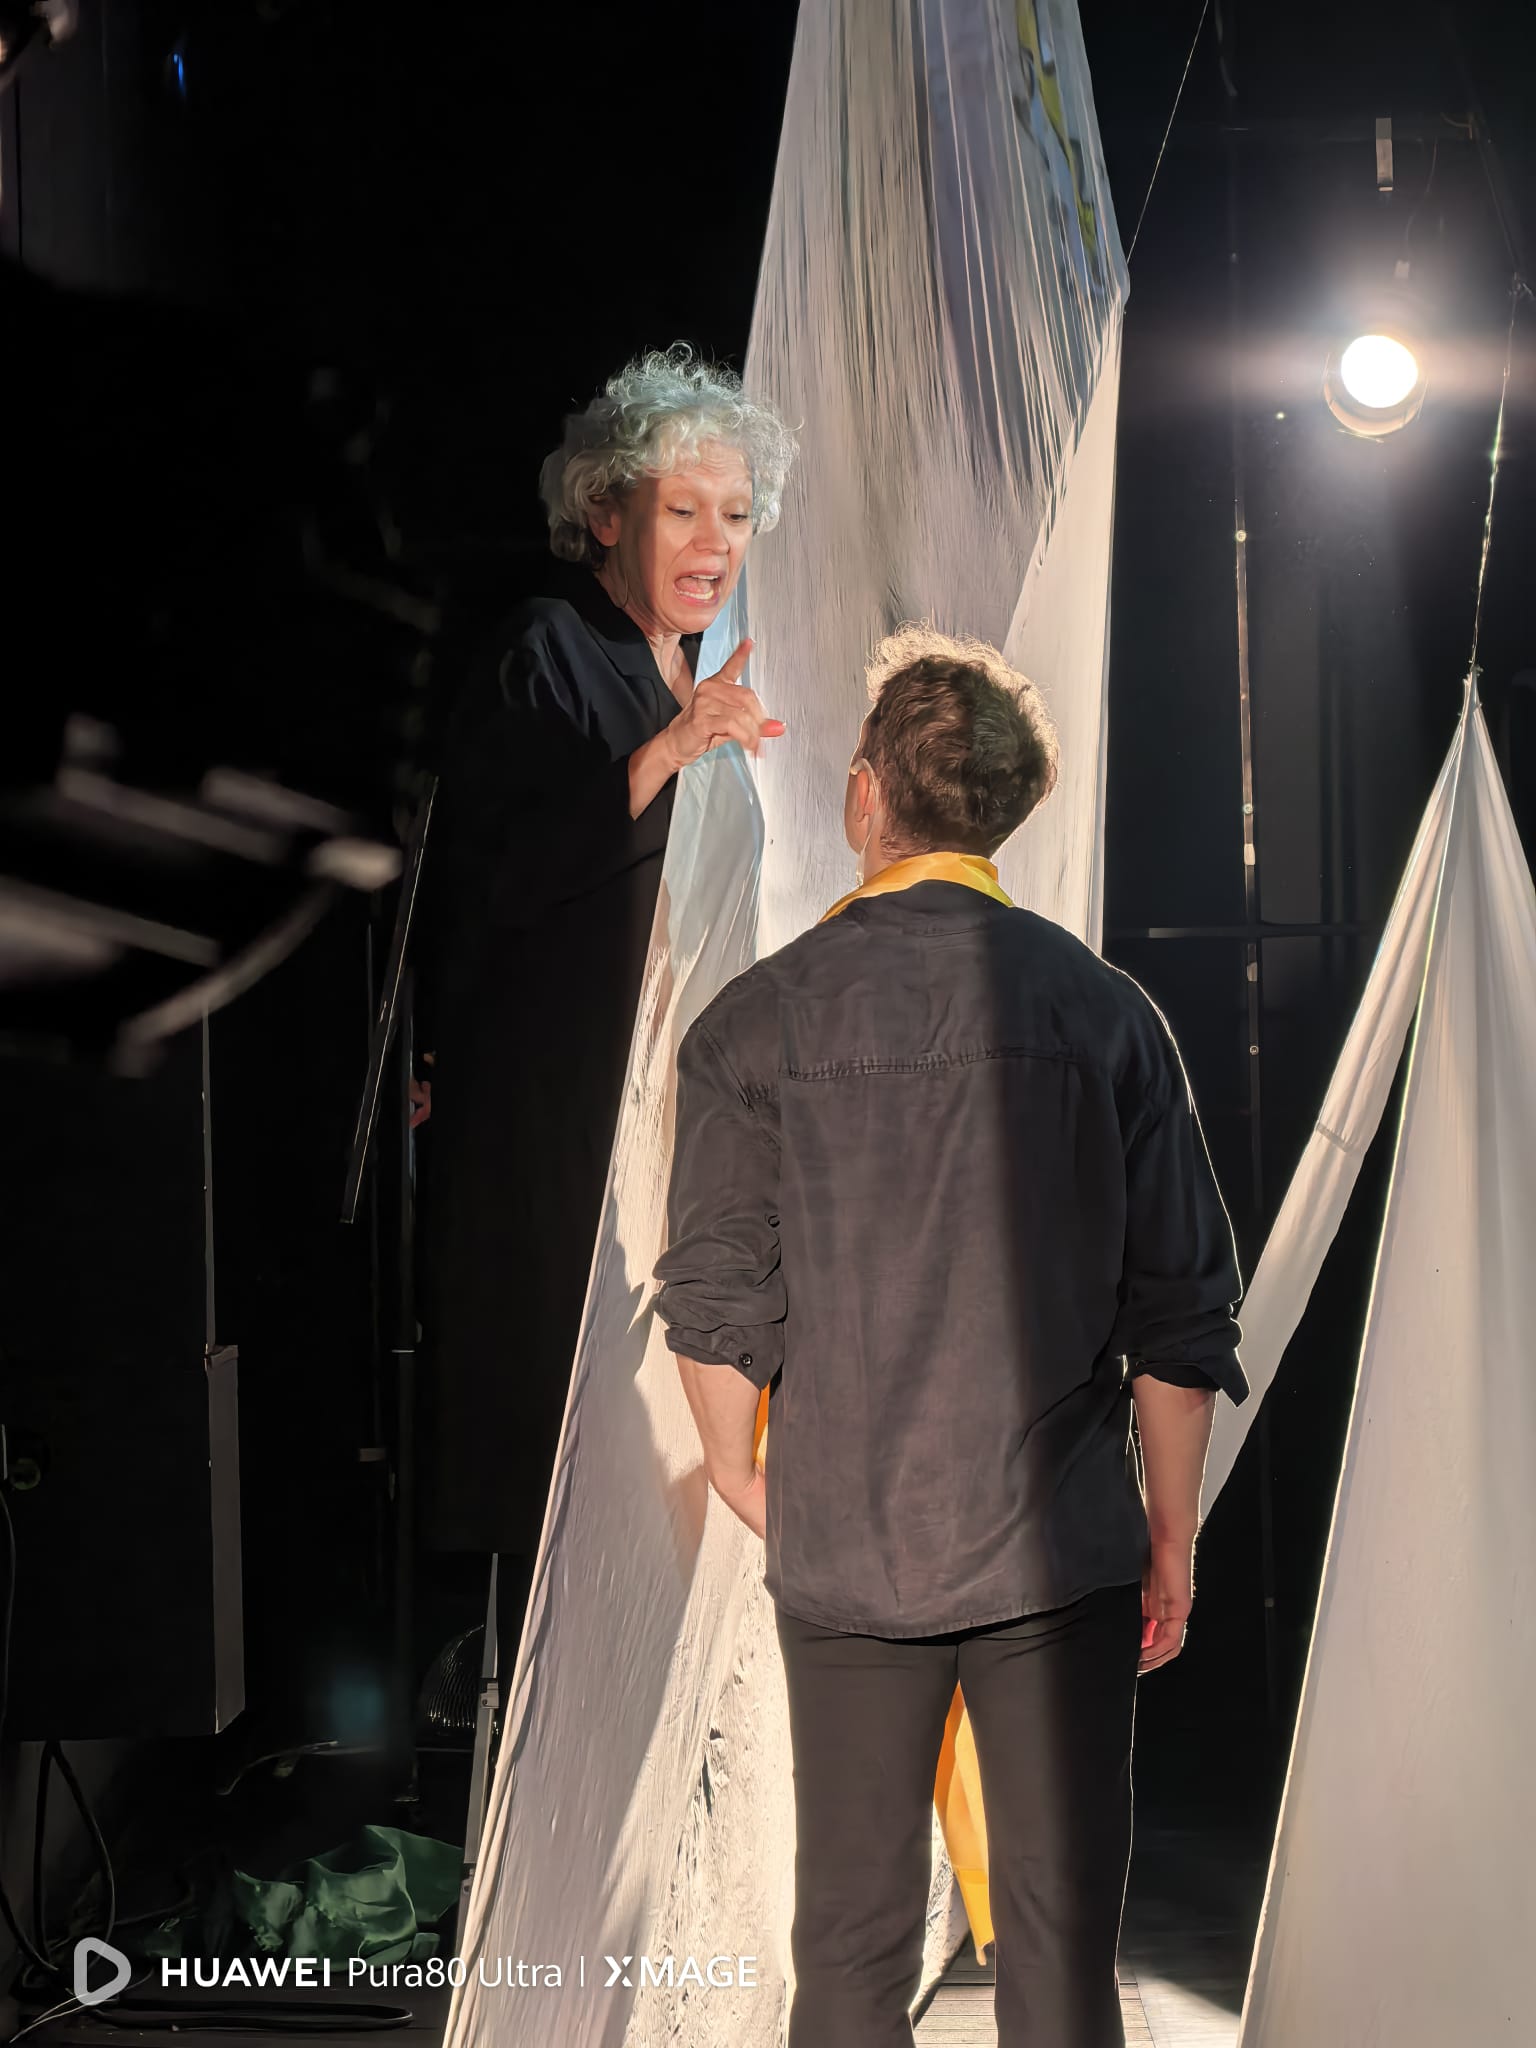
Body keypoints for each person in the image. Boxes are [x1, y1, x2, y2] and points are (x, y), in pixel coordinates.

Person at [653, 626, 1248, 2048]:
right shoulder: (1109, 1015)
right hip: (1060, 1552)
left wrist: (749, 1480)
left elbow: (715, 1299)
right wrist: (1170, 1539)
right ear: (1006, 814)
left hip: (851, 1554)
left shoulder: (754, 1023)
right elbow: (1179, 1317)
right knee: (1058, 1951)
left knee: (849, 1951)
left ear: (868, 795)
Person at [418, 347, 796, 1669]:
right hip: (559, 1115)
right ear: (604, 514)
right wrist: (673, 751)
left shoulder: (696, 674)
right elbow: (507, 877)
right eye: (682, 510)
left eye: (735, 513)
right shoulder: (552, 648)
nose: (714, 543)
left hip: (675, 1118)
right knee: (560, 1427)